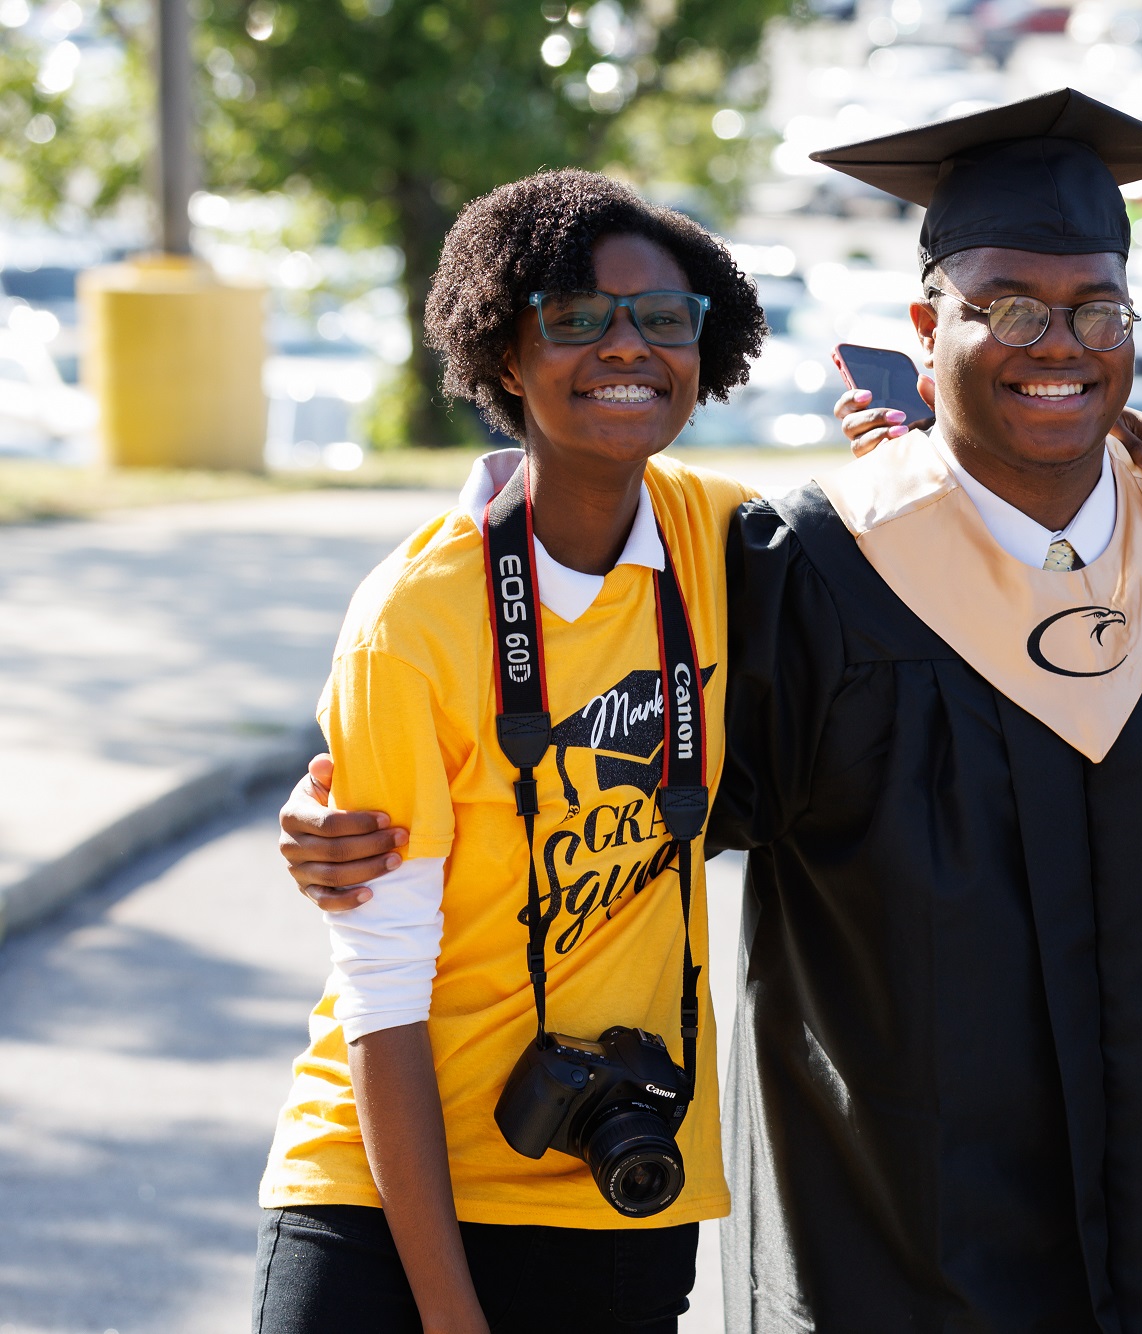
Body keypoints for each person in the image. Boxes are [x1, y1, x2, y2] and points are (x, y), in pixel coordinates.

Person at [277, 89, 1142, 1332]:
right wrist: (347, 814)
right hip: (893, 1220)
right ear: (927, 326)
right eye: (1011, 309)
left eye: (1097, 309)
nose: (1061, 341)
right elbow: (609, 742)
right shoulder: (815, 571)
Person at [252, 170, 765, 1333]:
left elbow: (925, 525)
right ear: (500, 355)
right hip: (386, 1192)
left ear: (705, 349)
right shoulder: (414, 618)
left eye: (662, 317)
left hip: (617, 1176)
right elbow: (380, 993)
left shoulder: (726, 538)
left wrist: (1138, 448)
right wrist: (450, 1312)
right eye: (575, 316)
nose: (624, 345)